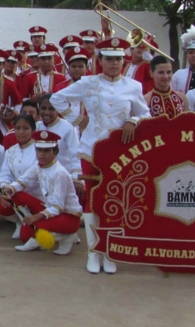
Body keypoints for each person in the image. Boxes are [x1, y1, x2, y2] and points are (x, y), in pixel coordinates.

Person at [49, 37, 149, 274]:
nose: (115, 63)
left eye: (118, 59)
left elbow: (146, 113)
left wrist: (133, 121)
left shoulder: (133, 86)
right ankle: (94, 252)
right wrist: (79, 120)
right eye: (110, 59)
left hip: (120, 152)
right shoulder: (88, 83)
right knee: (93, 200)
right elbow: (56, 98)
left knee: (116, 200)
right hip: (91, 149)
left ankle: (111, 251)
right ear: (100, 60)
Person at [0, 131, 82, 254]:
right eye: (39, 150)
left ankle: (67, 236)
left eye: (47, 151)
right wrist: (7, 191)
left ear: (55, 152)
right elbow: (23, 181)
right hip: (49, 208)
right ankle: (30, 224)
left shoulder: (60, 173)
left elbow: (58, 207)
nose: (42, 155)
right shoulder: (39, 165)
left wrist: (34, 218)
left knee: (27, 234)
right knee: (15, 194)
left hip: (69, 216)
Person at [0, 114, 40, 239]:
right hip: (14, 195)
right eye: (18, 128)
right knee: (1, 204)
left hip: (36, 195)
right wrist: (4, 189)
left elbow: (33, 175)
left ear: (33, 130)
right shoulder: (10, 151)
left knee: (27, 238)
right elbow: (4, 174)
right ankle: (19, 221)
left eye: (26, 128)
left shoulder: (40, 150)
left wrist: (12, 189)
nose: (21, 132)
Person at [36, 97, 81, 180]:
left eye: (51, 109)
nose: (46, 112)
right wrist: (6, 191)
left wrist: (76, 178)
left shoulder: (68, 127)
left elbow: (75, 154)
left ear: (57, 109)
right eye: (43, 108)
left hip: (63, 177)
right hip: (39, 178)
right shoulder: (36, 126)